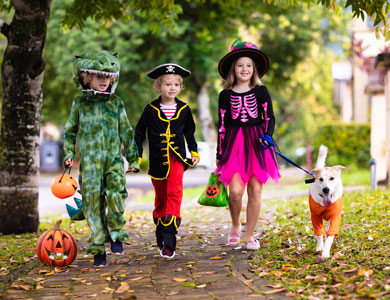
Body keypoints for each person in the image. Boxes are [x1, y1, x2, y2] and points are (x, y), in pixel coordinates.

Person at [63, 50, 140, 267]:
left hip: (113, 160)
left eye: (107, 77)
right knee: (92, 203)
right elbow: (70, 132)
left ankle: (115, 232)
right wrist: (69, 153)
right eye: (99, 77)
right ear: (87, 77)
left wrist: (133, 159)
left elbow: (127, 131)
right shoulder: (79, 104)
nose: (104, 81)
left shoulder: (115, 103)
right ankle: (98, 245)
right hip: (90, 165)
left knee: (116, 195)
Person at [215, 39, 281, 250]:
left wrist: (268, 136)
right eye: (240, 65)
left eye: (249, 66)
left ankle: (250, 235)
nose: (244, 69)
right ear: (234, 68)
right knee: (235, 191)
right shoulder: (225, 95)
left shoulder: (262, 92)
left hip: (257, 142)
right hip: (234, 143)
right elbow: (222, 124)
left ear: (254, 70)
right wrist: (219, 151)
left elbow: (269, 117)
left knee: (255, 190)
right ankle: (235, 224)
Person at [134, 63, 200, 258]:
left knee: (174, 192)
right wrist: (136, 155)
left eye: (176, 85)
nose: (172, 88)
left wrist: (194, 152)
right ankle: (160, 231)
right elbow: (139, 133)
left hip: (177, 158)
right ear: (158, 87)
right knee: (161, 198)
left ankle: (170, 237)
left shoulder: (185, 109)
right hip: (156, 162)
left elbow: (190, 133)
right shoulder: (150, 109)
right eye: (167, 84)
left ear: (180, 87)